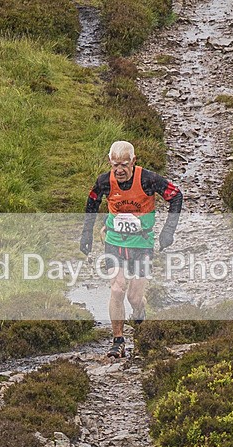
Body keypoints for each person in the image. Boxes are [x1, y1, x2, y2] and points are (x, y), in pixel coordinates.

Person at [80, 141, 183, 358]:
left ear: (133, 162)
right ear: (110, 162)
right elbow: (92, 203)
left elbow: (176, 196)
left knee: (134, 297)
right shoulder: (104, 182)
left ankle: (140, 313)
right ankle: (117, 340)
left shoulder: (148, 180)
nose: (119, 170)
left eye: (124, 165)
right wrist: (86, 234)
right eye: (115, 164)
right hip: (114, 242)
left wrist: (168, 231)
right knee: (117, 289)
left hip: (142, 245)